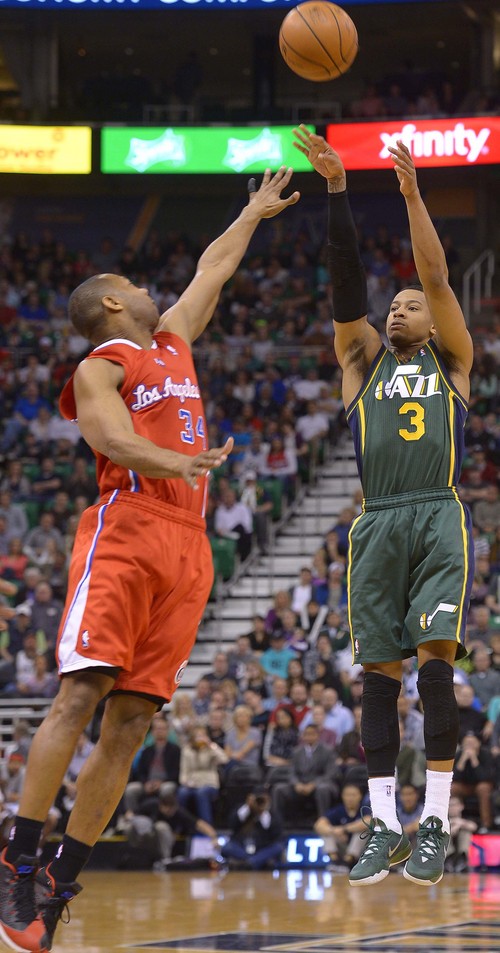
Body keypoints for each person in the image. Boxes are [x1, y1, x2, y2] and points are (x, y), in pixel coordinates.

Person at [0, 166, 299, 953]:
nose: (145, 287)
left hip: (188, 544)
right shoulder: (102, 364)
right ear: (110, 303)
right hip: (129, 526)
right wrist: (178, 462)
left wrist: (252, 213)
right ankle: (17, 857)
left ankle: (60, 879)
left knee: (132, 721)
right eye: (132, 283)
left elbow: (214, 267)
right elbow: (109, 438)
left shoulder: (172, 340)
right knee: (81, 693)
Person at [293, 126, 474, 887]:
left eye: (410, 305)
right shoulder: (361, 362)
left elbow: (435, 274)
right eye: (392, 305)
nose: (398, 310)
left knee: (434, 668)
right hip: (377, 519)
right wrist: (337, 190)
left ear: (432, 321)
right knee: (377, 677)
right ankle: (383, 824)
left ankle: (434, 821)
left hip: (436, 513)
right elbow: (345, 284)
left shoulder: (452, 359)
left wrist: (411, 195)